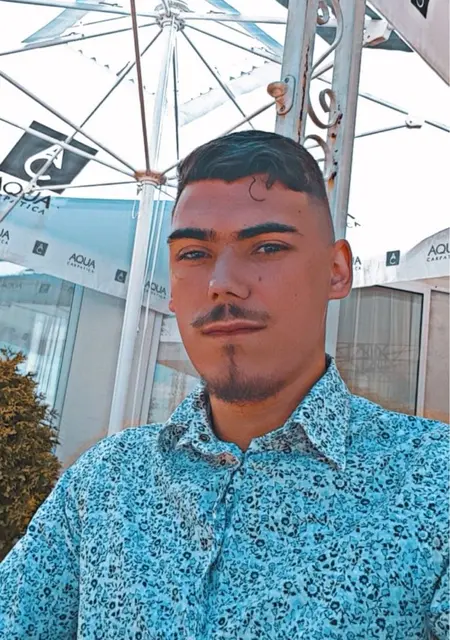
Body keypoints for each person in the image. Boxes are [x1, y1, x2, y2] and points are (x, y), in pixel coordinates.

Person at [0, 130, 448, 639]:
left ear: (336, 271)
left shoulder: (434, 481)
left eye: (268, 247)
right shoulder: (105, 484)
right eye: (194, 254)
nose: (222, 283)